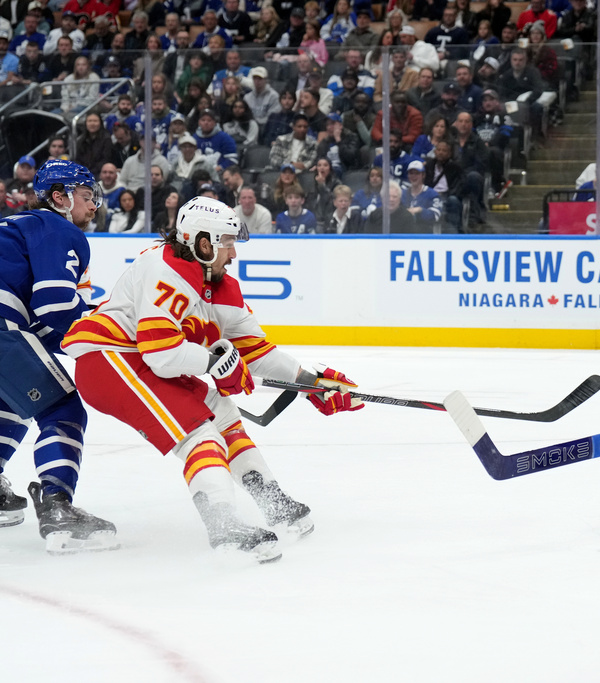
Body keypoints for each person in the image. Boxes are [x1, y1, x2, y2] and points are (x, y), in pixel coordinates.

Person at [62, 197, 364, 562]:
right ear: (203, 243)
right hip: (109, 359)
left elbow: (257, 352)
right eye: (228, 243)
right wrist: (214, 362)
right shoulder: (165, 268)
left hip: (137, 360)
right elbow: (162, 355)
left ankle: (272, 500)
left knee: (222, 411)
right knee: (199, 431)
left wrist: (311, 383)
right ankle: (224, 524)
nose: (233, 254)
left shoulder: (219, 285)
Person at [0, 160, 118, 553]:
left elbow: (40, 320)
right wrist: (105, 335)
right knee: (63, 410)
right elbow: (54, 308)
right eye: (87, 196)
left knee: (16, 400)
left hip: (7, 325)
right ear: (60, 197)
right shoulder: (58, 228)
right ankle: (57, 506)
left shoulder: (18, 227)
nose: (93, 206)